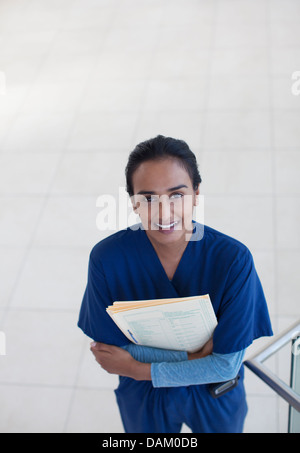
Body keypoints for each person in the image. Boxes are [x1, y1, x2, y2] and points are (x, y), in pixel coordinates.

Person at [78, 135, 273, 433]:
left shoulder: (233, 261)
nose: (164, 214)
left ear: (196, 194)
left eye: (177, 195)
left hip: (213, 393)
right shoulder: (107, 259)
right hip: (146, 397)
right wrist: (198, 358)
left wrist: (135, 367)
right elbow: (108, 352)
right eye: (148, 199)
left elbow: (224, 366)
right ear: (133, 203)